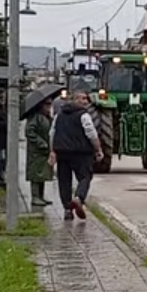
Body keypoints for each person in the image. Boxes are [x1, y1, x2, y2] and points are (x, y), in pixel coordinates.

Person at [49, 90, 104, 221]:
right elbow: (91, 134)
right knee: (85, 177)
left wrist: (52, 151)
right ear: (74, 100)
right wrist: (98, 149)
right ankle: (79, 198)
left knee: (64, 181)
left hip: (62, 153)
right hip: (81, 153)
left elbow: (52, 133)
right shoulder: (83, 115)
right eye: (82, 99)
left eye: (86, 99)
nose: (85, 102)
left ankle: (67, 210)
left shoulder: (59, 115)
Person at [25, 98, 54, 208]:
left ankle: (41, 196)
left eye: (50, 104)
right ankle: (35, 196)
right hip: (36, 151)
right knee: (36, 174)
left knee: (43, 174)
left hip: (44, 151)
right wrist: (41, 143)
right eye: (47, 104)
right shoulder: (35, 117)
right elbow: (29, 131)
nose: (49, 107)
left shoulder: (46, 117)